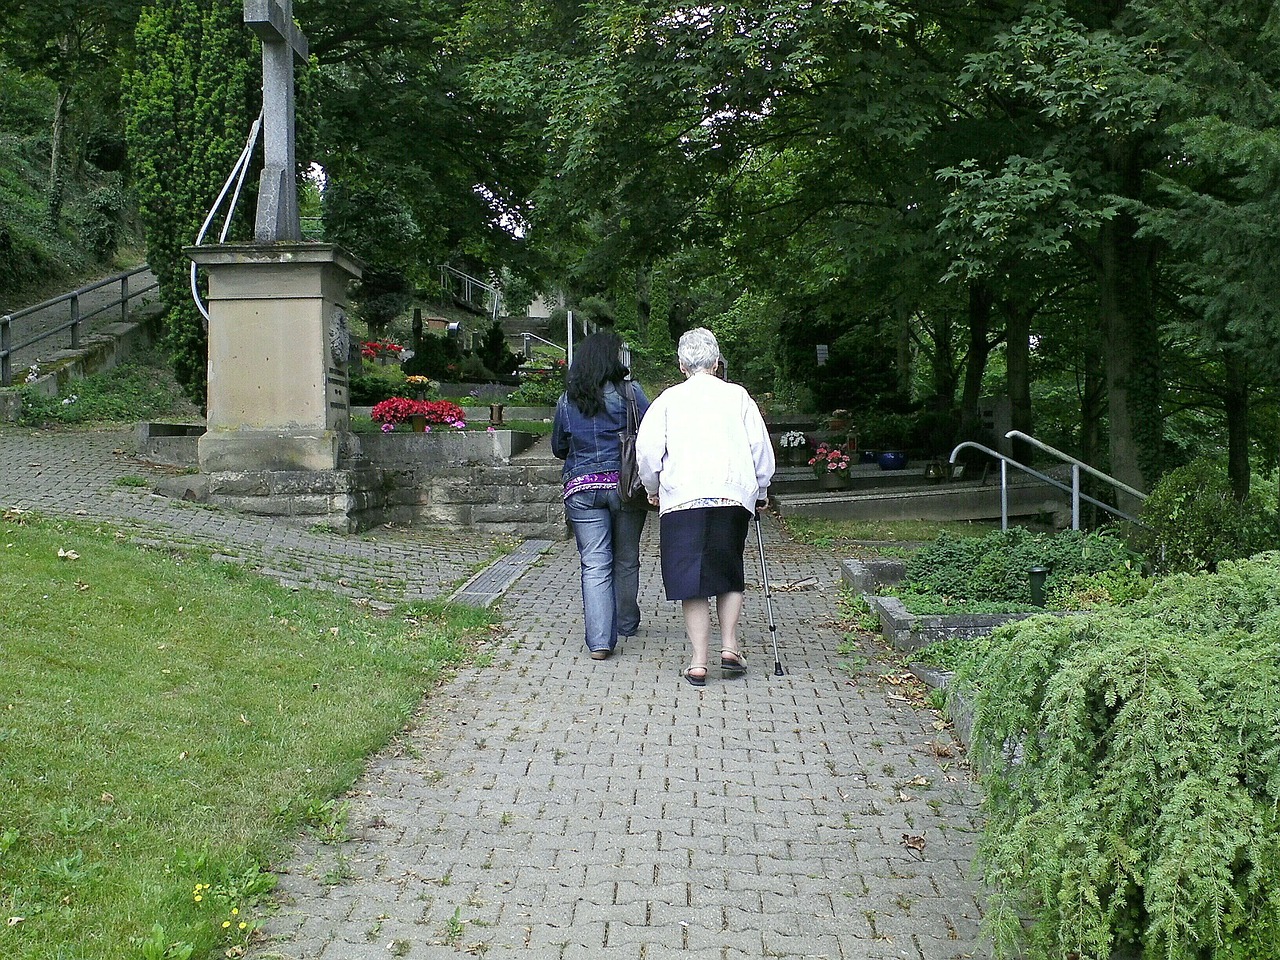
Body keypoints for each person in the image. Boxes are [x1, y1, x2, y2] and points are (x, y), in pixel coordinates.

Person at [635, 328, 775, 686]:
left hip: (682, 497)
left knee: (691, 579)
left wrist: (653, 488)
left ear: (682, 364)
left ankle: (699, 661)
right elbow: (759, 448)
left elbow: (648, 452)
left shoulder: (667, 400)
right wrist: (760, 490)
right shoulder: (738, 396)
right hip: (731, 496)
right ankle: (729, 647)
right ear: (716, 363)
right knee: (728, 569)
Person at [551, 331, 651, 661]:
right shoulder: (631, 392)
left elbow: (558, 447)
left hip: (581, 488)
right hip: (626, 487)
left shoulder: (568, 398)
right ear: (612, 359)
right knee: (625, 557)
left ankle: (599, 642)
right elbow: (650, 438)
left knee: (594, 563)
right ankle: (626, 623)